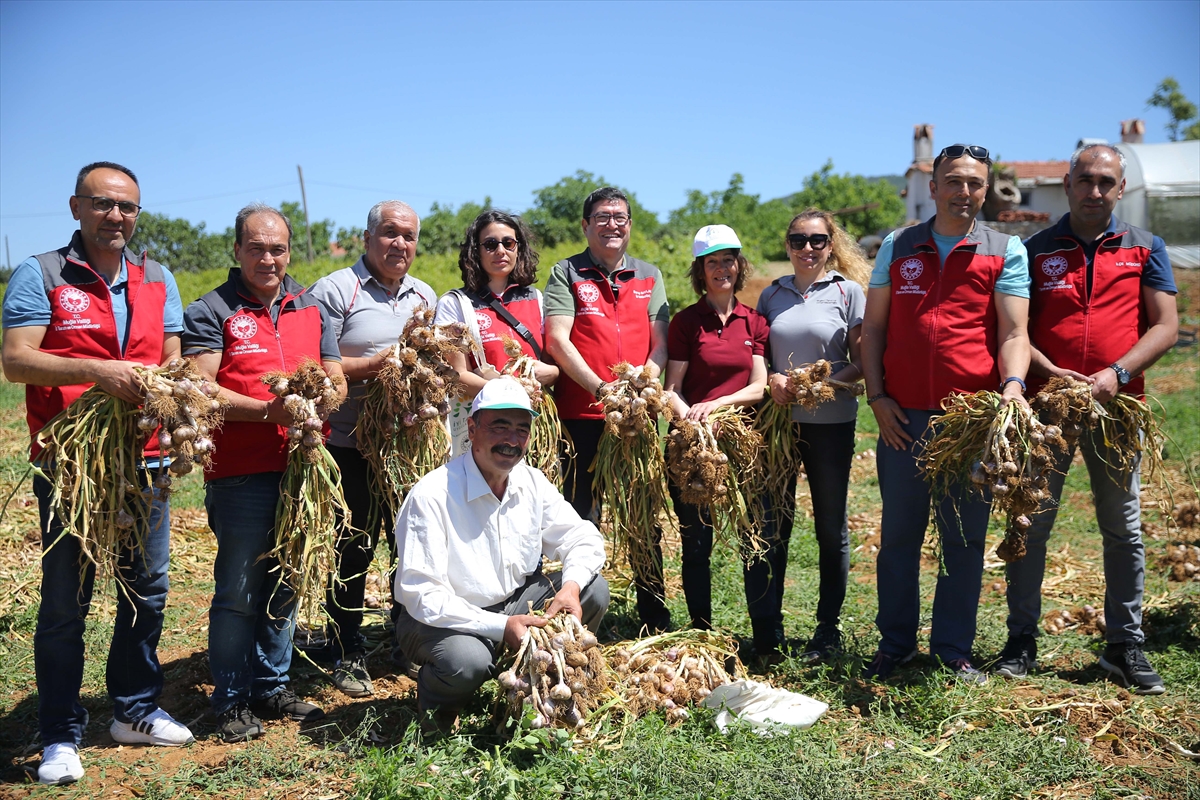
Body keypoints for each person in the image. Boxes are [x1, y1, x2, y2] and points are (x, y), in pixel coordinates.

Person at [1, 162, 193, 784]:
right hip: (71, 466)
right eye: (104, 204)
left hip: (146, 461)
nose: (117, 217)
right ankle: (59, 731)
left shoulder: (157, 278)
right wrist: (98, 372)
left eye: (128, 208)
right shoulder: (43, 272)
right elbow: (15, 360)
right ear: (76, 207)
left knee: (148, 588)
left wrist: (169, 393)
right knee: (66, 601)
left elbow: (170, 360)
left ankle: (133, 709)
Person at [995, 144, 1178, 694]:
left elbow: (1165, 326)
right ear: (1067, 183)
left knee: (1123, 527)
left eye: (1106, 182)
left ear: (1120, 189)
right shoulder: (1034, 249)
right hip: (1049, 408)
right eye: (1084, 180)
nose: (1094, 191)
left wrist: (1115, 374)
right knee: (1031, 522)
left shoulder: (1146, 247)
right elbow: (1017, 329)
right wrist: (1050, 371)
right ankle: (1021, 639)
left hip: (1118, 408)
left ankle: (1124, 644)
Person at [861, 144, 1031, 683]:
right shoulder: (898, 245)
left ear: (987, 190)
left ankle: (953, 648)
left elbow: (1014, 333)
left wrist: (1011, 385)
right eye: (953, 181)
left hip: (971, 421)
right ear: (932, 187)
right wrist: (878, 396)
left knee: (964, 538)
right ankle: (895, 644)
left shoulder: (1006, 249)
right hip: (902, 418)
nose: (964, 192)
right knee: (900, 536)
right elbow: (875, 331)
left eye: (974, 183)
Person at [182, 203, 346, 741]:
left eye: (277, 248)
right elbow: (202, 388)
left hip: (303, 467)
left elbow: (333, 371)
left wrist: (331, 393)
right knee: (239, 590)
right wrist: (265, 411)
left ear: (289, 251)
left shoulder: (310, 305)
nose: (268, 258)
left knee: (288, 582)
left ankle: (271, 687)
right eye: (256, 247)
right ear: (237, 251)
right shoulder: (211, 310)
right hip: (240, 473)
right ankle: (229, 700)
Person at [392, 377, 609, 731]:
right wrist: (499, 626)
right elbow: (422, 595)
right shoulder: (432, 495)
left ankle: (547, 682)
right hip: (439, 618)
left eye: (521, 430)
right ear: (472, 429)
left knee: (591, 589)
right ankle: (437, 709)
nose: (511, 440)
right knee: (467, 661)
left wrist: (569, 587)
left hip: (513, 602)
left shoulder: (530, 481)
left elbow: (582, 536)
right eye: (499, 426)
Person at [306, 200, 435, 697]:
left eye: (408, 236)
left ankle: (407, 642)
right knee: (352, 548)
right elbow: (322, 366)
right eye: (388, 233)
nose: (399, 244)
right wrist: (382, 363)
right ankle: (346, 649)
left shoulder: (424, 293)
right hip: (349, 444)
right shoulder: (336, 289)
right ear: (367, 237)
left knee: (411, 546)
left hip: (407, 448)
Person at [544, 187, 672, 631]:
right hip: (581, 415)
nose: (612, 224)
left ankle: (654, 614)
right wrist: (602, 389)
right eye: (601, 217)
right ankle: (581, 614)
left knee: (642, 514)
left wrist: (640, 389)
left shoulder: (649, 275)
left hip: (637, 419)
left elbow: (661, 347)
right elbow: (558, 339)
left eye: (620, 217)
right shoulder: (566, 273)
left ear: (630, 224)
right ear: (585, 226)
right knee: (582, 518)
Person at [754, 209, 870, 663]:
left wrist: (827, 383)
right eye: (798, 240)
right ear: (787, 245)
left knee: (830, 527)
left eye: (817, 241)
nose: (807, 249)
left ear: (830, 245)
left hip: (832, 423)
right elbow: (759, 355)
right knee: (773, 525)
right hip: (780, 424)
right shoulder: (772, 294)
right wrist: (773, 383)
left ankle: (827, 628)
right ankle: (771, 628)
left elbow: (861, 360)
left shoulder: (848, 292)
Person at [662, 225, 769, 633]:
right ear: (700, 271)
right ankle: (700, 629)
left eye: (728, 260)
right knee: (696, 544)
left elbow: (759, 387)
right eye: (712, 262)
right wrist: (692, 423)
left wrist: (717, 405)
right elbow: (670, 389)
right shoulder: (687, 323)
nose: (722, 268)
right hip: (695, 447)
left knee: (752, 537)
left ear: (739, 266)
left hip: (743, 444)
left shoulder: (754, 321)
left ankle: (764, 635)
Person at [434, 210, 558, 455]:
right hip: (484, 424)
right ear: (475, 251)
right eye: (490, 244)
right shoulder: (454, 303)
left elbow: (553, 367)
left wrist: (551, 373)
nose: (501, 250)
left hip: (533, 425)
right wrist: (506, 395)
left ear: (518, 249)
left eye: (508, 243)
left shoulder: (536, 298)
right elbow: (456, 375)